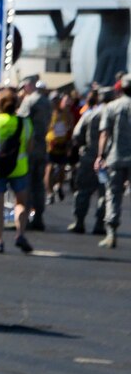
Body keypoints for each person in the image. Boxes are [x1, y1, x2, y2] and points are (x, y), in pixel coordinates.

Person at [0, 85, 35, 254]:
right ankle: (20, 233)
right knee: (20, 203)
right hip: (19, 168)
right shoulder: (25, 123)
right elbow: (29, 147)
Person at [95, 73, 131, 248]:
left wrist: (100, 156)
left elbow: (104, 134)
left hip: (115, 157)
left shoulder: (111, 107)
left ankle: (111, 233)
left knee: (113, 194)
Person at [14, 76, 52, 230]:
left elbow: (20, 120)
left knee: (27, 183)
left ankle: (25, 218)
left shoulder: (30, 101)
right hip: (42, 145)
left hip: (29, 145)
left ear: (29, 86)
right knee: (39, 184)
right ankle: (39, 217)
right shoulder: (47, 102)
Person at [68, 87, 107, 235]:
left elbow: (77, 135)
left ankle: (79, 222)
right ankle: (100, 224)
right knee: (105, 194)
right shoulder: (118, 113)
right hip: (108, 160)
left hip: (89, 157)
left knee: (83, 191)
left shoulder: (90, 115)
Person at [46, 88, 78, 204]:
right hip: (50, 145)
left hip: (62, 144)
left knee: (62, 168)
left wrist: (70, 143)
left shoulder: (67, 114)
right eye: (53, 100)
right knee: (49, 169)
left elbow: (71, 128)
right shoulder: (48, 113)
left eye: (56, 100)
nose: (54, 102)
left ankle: (58, 186)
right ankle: (49, 193)